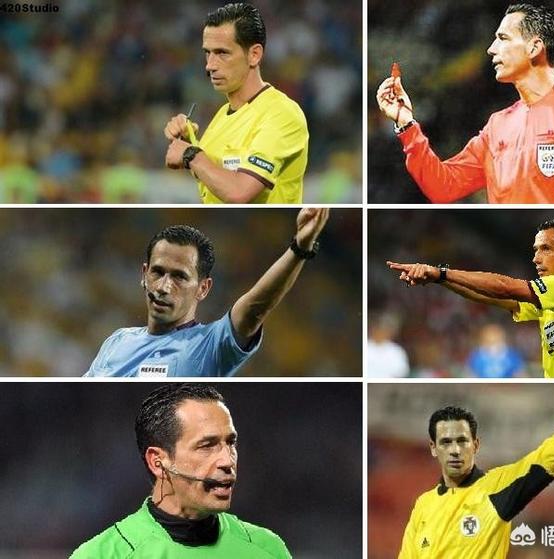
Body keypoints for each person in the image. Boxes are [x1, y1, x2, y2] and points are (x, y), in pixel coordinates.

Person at [376, 3, 554, 204]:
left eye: (503, 38)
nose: (491, 48)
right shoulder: (497, 126)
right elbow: (443, 186)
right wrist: (406, 124)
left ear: (534, 48)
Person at [85, 208, 329, 377]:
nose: (163, 287)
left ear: (203, 288)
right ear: (144, 274)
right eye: (158, 272)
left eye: (180, 277)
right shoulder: (117, 341)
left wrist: (299, 249)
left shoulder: (209, 346)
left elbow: (255, 308)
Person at [397, 386, 554, 558]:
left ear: (475, 445)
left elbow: (545, 458)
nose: (455, 450)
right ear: (433, 448)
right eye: (446, 442)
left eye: (462, 441)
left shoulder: (497, 487)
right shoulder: (424, 504)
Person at [70, 383, 292, 558]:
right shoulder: (103, 554)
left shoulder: (268, 549)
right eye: (207, 446)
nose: (227, 461)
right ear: (158, 462)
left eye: (230, 443)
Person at [387, 218, 554, 378]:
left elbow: (504, 287)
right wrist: (440, 279)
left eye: (546, 249)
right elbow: (489, 297)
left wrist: (442, 273)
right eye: (536, 250)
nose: (536, 259)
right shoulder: (553, 302)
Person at [164, 3, 308, 204]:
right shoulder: (222, 115)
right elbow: (214, 178)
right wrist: (188, 143)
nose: (209, 65)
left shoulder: (281, 113)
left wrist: (190, 155)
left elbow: (239, 192)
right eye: (208, 53)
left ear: (254, 54)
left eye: (222, 53)